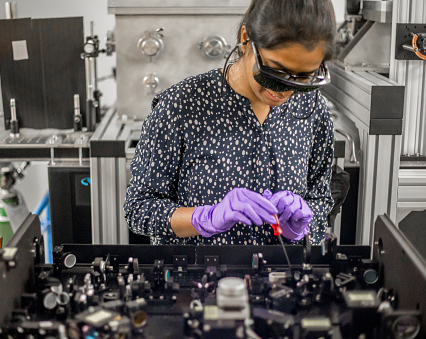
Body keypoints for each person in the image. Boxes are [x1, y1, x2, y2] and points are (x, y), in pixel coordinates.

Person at [124, 0, 336, 246]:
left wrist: (300, 227)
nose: (285, 91)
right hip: (199, 277)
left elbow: (320, 202)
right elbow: (139, 208)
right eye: (275, 72)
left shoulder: (313, 109)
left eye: (302, 77)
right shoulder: (181, 106)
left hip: (282, 279)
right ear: (247, 39)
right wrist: (205, 218)